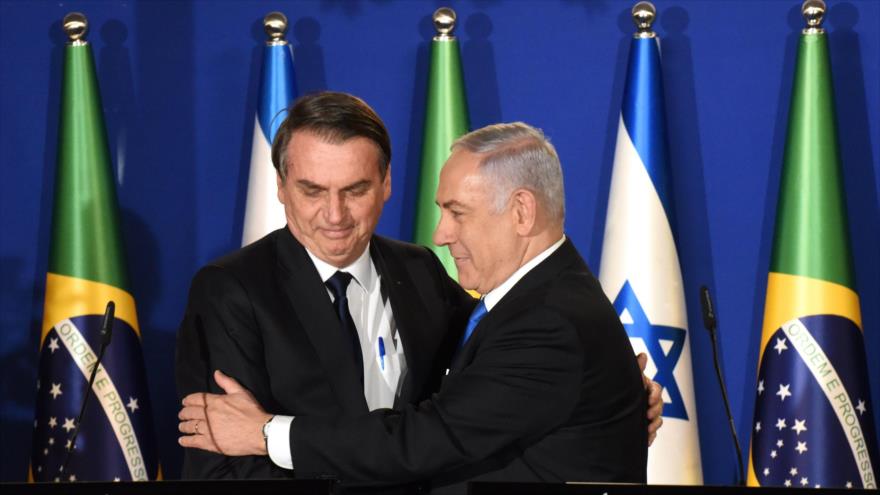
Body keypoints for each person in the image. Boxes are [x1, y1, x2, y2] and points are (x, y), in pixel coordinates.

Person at [179, 120, 650, 489]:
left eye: (456, 212)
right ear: (281, 186)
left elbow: (430, 435)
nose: (440, 234)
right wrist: (613, 391)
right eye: (312, 190)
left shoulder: (442, 280)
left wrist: (267, 433)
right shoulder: (231, 290)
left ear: (385, 184)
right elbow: (220, 461)